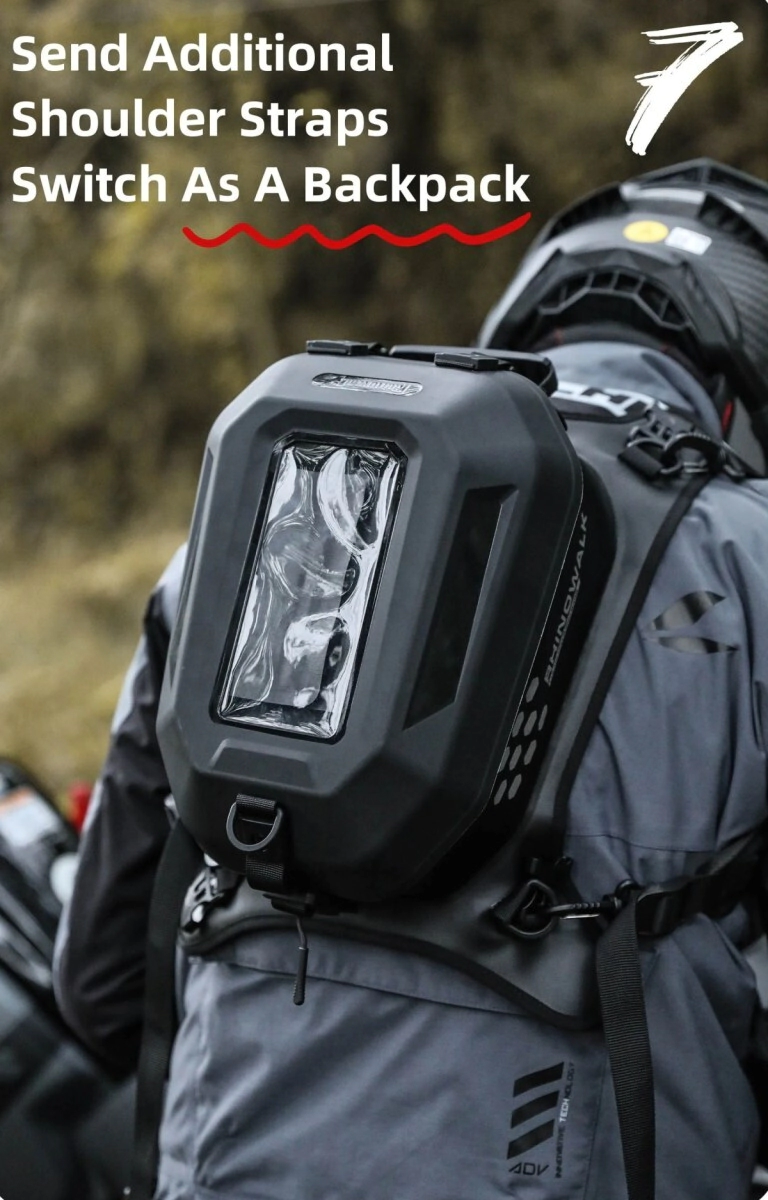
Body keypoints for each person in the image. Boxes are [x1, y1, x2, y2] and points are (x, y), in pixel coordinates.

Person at [54, 159, 768, 1200]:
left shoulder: (254, 526)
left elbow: (102, 986)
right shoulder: (749, 561)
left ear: (526, 321)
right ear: (741, 387)